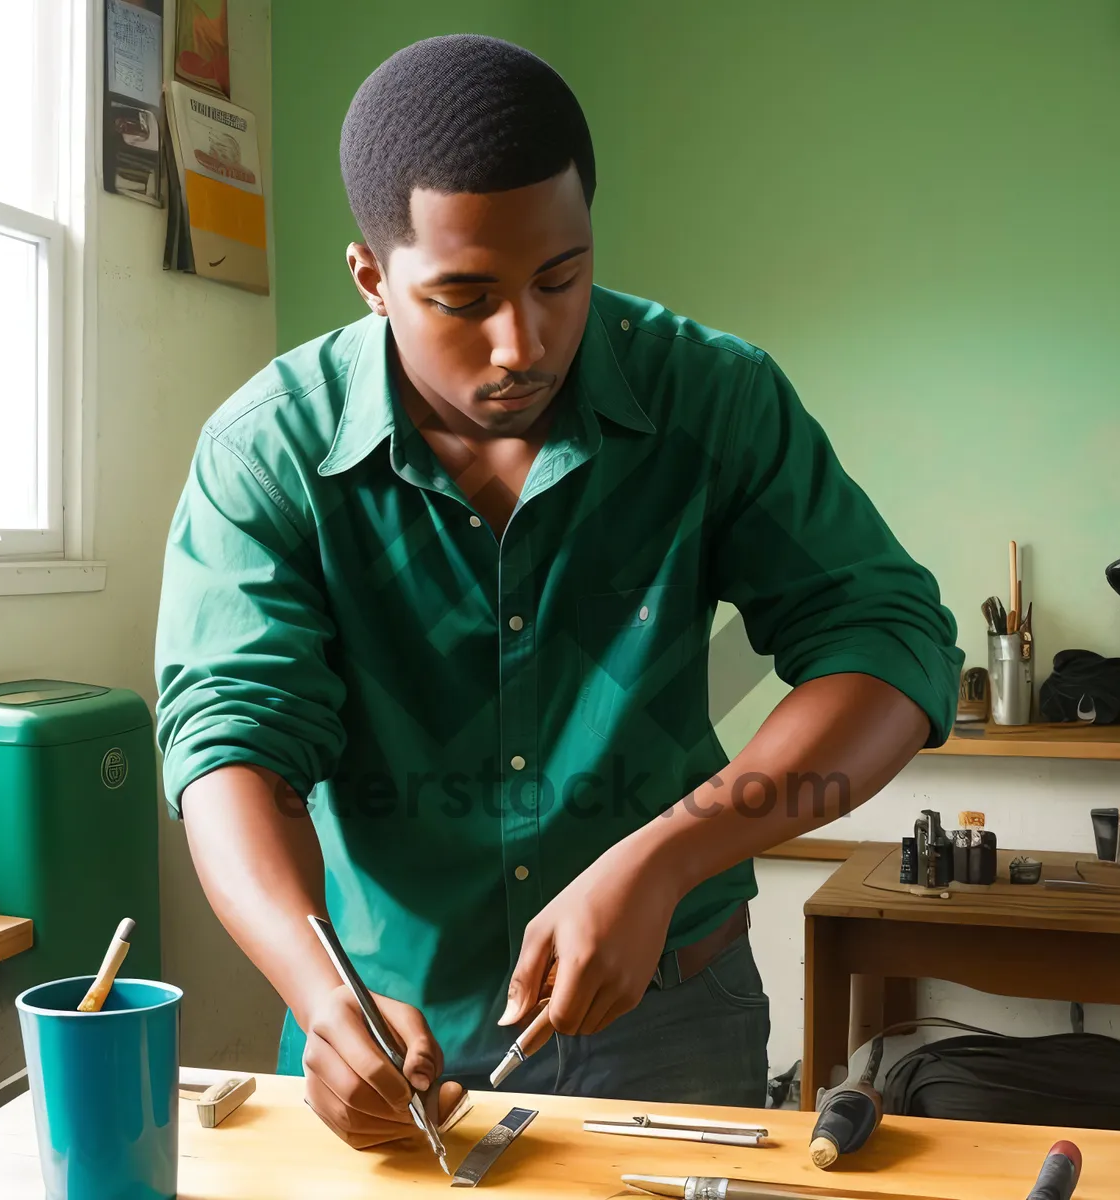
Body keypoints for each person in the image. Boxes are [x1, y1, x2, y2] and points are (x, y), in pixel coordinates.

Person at [154, 34, 963, 1152]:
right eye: (463, 297)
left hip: (673, 1008)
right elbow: (227, 744)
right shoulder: (267, 452)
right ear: (372, 278)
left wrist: (667, 854)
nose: (523, 342)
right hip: (384, 1026)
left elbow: (890, 642)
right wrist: (319, 997)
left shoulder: (714, 400)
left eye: (560, 278)